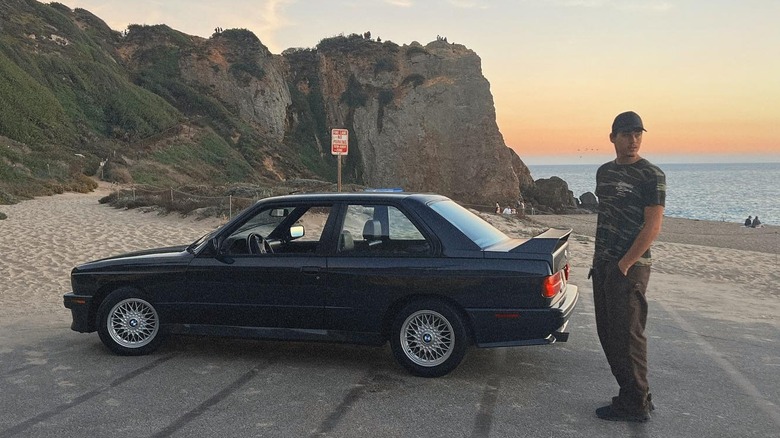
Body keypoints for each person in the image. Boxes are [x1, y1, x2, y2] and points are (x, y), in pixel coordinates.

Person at [591, 111, 665, 423]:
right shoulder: (604, 173)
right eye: (626, 134)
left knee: (629, 336)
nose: (633, 140)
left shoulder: (652, 175)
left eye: (637, 133)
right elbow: (605, 218)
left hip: (630, 268)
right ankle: (634, 395)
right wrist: (600, 263)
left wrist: (624, 264)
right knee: (608, 333)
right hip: (604, 264)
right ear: (613, 138)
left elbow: (653, 226)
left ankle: (636, 403)